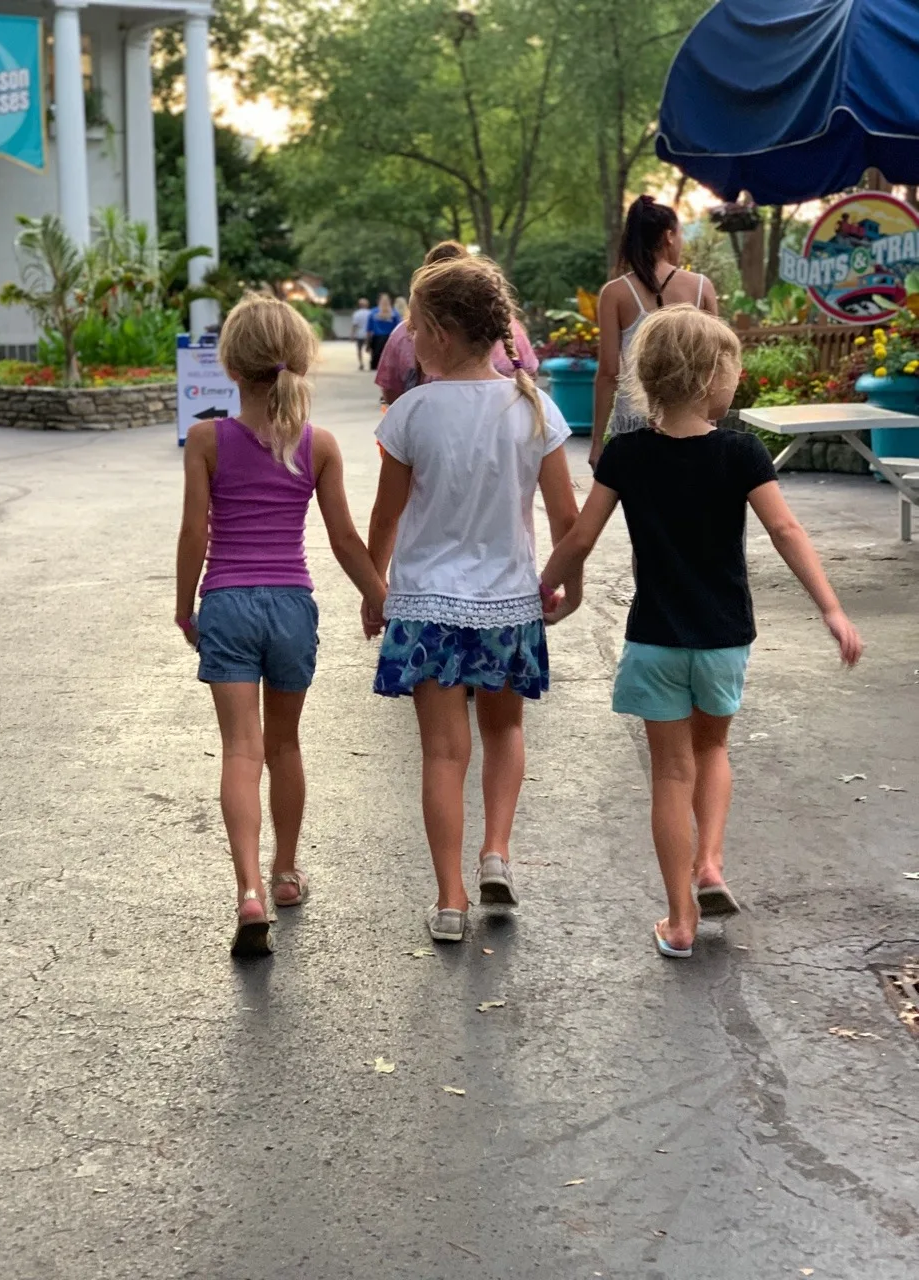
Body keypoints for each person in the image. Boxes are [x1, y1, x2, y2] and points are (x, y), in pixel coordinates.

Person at [540, 305, 862, 959]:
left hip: (654, 639)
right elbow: (785, 530)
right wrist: (830, 607)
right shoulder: (741, 452)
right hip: (723, 638)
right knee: (713, 750)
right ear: (713, 374)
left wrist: (543, 590)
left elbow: (580, 537)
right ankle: (710, 863)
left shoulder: (627, 454)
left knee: (670, 774)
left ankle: (680, 920)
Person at [364, 255, 580, 943]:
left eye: (412, 324)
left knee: (442, 754)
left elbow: (386, 517)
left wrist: (375, 588)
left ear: (439, 333)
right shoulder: (533, 407)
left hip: (425, 605)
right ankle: (496, 853)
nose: (407, 335)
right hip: (509, 602)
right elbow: (566, 516)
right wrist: (566, 580)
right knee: (505, 731)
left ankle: (451, 900)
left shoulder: (411, 413)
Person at [175, 294, 386, 959]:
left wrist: (184, 607)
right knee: (284, 745)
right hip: (293, 606)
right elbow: (345, 539)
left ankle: (247, 892)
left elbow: (193, 533)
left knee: (240, 751)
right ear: (300, 362)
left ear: (230, 368)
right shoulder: (318, 444)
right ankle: (286, 872)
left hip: (228, 604)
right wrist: (378, 596)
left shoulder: (207, 441)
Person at [590, 195, 719, 466]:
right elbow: (716, 363)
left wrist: (597, 442)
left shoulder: (615, 293)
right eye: (680, 234)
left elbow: (609, 373)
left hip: (634, 424)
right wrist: (712, 421)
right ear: (669, 236)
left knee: (638, 494)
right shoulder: (701, 287)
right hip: (691, 422)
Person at [375, 240, 539, 405]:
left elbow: (390, 390)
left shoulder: (404, 333)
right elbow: (529, 372)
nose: (414, 333)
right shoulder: (505, 325)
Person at [367, 293, 401, 371]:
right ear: (378, 301)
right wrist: (368, 342)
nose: (385, 302)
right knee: (376, 356)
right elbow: (369, 329)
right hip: (377, 338)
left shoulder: (394, 314)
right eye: (383, 300)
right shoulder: (373, 312)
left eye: (387, 300)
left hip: (390, 338)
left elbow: (398, 327)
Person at [351, 296, 372, 371]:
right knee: (371, 350)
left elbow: (354, 325)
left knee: (359, 350)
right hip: (369, 334)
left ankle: (361, 363)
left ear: (359, 305)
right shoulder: (370, 313)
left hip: (360, 335)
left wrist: (352, 335)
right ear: (367, 305)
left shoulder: (356, 314)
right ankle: (371, 362)